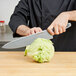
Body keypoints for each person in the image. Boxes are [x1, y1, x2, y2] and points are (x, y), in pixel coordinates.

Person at [9, 0, 76, 51]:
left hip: (69, 54)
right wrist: (27, 31)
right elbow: (16, 19)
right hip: (37, 54)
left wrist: (67, 15)